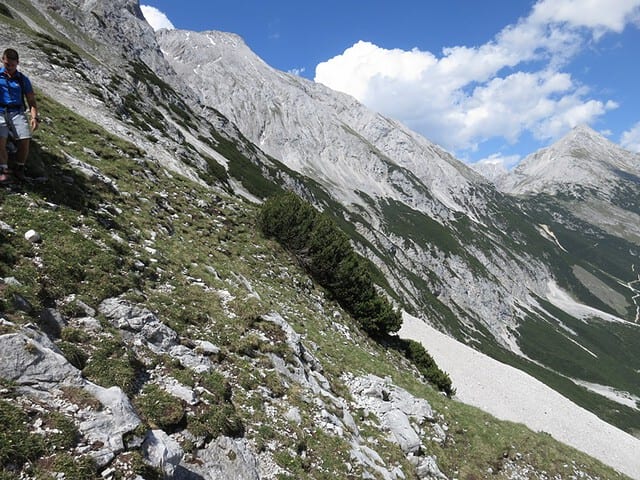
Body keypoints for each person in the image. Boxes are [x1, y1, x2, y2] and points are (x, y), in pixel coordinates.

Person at [0, 48, 40, 184]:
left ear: (17, 63)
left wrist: (34, 117)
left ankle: (19, 167)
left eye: (12, 65)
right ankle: (4, 170)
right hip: (0, 110)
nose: (10, 67)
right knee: (1, 138)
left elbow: (31, 101)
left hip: (17, 111)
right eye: (7, 64)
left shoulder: (23, 80)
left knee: (25, 139)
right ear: (2, 60)